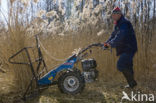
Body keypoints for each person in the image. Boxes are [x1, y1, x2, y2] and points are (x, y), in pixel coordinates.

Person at [104, 7, 138, 89]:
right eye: (112, 15)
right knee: (128, 66)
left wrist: (111, 44)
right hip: (124, 48)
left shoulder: (124, 23)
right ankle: (131, 85)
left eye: (115, 14)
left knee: (120, 65)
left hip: (129, 48)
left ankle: (132, 82)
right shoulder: (117, 24)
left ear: (119, 14)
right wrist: (106, 43)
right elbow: (113, 35)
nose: (113, 16)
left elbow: (120, 36)